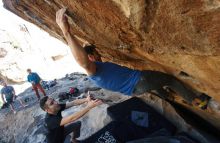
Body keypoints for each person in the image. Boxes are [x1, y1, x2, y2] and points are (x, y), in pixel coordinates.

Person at [55, 8, 210, 110]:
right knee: (170, 80)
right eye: (96, 54)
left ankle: (167, 97)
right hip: (140, 80)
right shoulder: (92, 70)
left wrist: (87, 46)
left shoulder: (99, 73)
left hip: (137, 89)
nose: (99, 55)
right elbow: (83, 61)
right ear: (90, 57)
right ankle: (198, 102)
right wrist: (66, 32)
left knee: (157, 84)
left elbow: (94, 61)